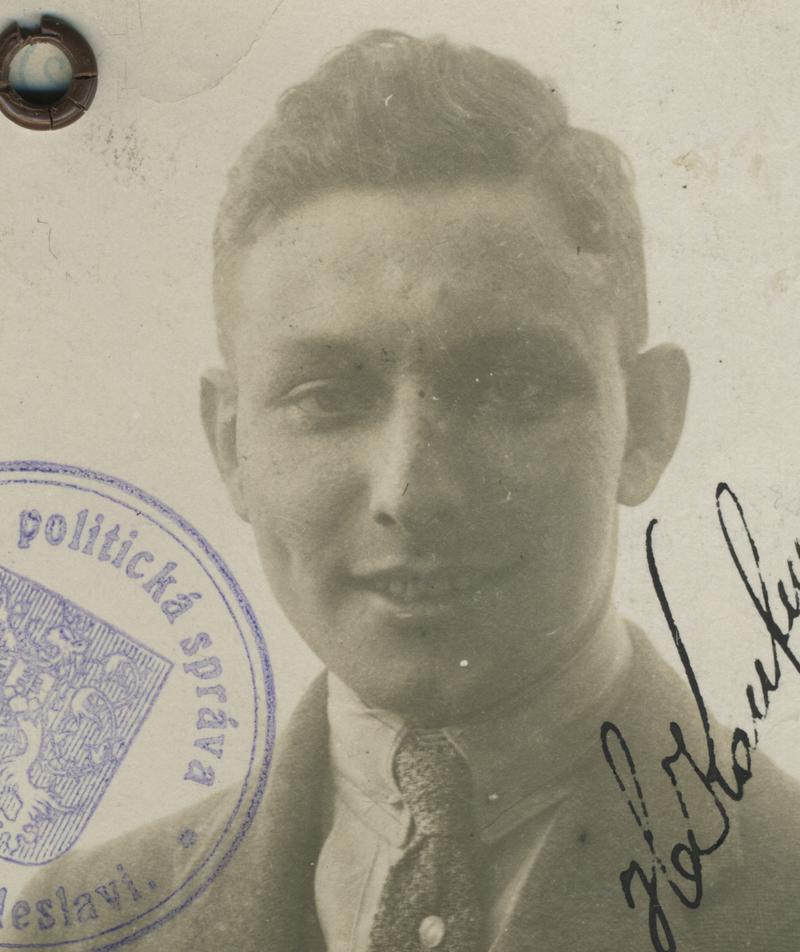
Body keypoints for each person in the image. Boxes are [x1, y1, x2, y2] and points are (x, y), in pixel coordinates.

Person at [25, 29, 800, 952]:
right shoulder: (82, 924)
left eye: (508, 388)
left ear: (649, 422)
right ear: (232, 446)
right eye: (328, 397)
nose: (414, 490)